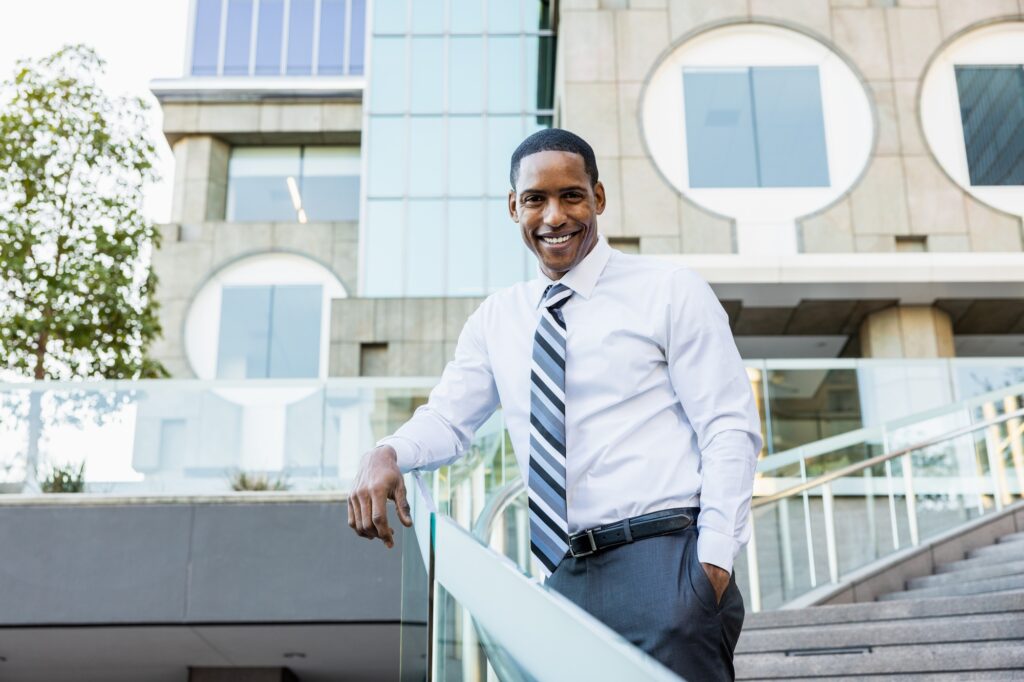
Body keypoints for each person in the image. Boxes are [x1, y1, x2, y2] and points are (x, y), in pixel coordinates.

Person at [347, 128, 762, 680]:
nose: (554, 216)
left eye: (572, 195)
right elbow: (449, 419)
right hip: (561, 578)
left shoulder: (669, 289)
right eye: (536, 199)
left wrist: (710, 565)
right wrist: (387, 451)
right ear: (514, 207)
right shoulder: (499, 318)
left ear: (599, 198)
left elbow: (729, 428)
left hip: (665, 563)